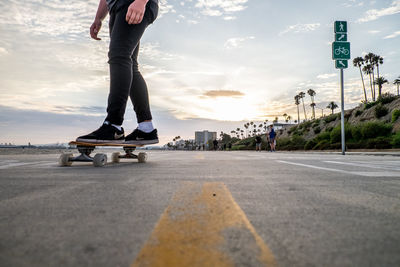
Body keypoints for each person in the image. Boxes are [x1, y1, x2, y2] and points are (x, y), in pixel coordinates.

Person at [76, 0, 159, 145]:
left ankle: (113, 125)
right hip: (117, 7)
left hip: (133, 3)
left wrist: (141, 1)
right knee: (129, 63)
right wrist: (98, 18)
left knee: (119, 57)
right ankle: (146, 129)